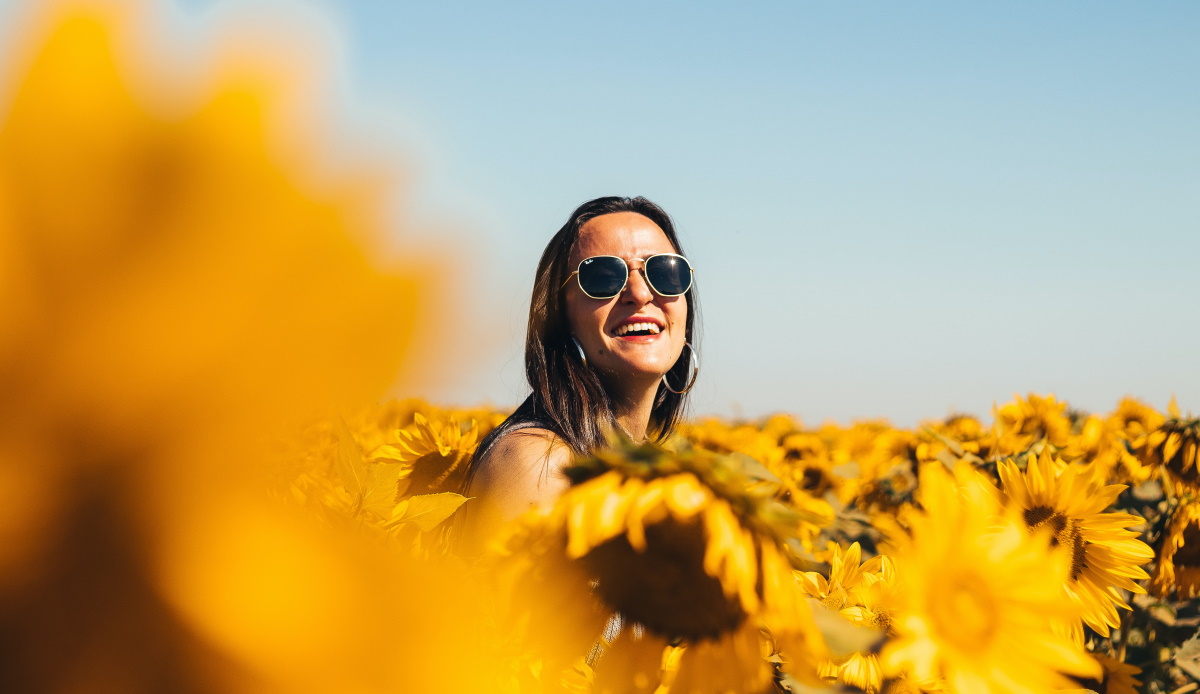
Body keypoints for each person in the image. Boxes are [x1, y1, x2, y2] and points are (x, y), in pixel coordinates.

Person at [456, 196, 700, 555]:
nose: (639, 293)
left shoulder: (651, 468)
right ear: (559, 313)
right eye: (603, 276)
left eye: (664, 272)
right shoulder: (540, 466)